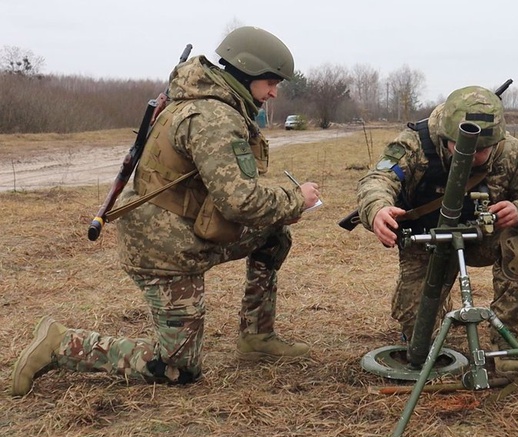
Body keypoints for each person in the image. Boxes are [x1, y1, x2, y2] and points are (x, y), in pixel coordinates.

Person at [11, 26, 321, 396]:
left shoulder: (205, 102)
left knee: (273, 234)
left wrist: (281, 209)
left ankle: (257, 336)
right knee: (177, 369)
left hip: (185, 232)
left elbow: (231, 189)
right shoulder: (214, 118)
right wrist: (294, 199)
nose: (274, 92)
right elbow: (239, 201)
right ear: (245, 73)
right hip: (166, 251)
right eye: (270, 82)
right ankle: (60, 344)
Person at [357, 86, 518, 374]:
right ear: (445, 135)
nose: (474, 156)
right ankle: (434, 305)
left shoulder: (512, 152)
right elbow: (377, 180)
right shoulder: (415, 144)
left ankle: (505, 339)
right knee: (418, 335)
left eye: (483, 150)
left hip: (483, 239)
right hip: (428, 240)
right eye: (465, 147)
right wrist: (377, 209)